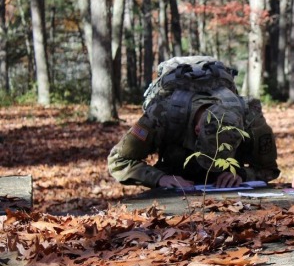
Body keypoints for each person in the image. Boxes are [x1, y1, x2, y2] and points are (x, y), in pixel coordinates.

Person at [108, 74, 279, 189]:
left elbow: (268, 169)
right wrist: (160, 178)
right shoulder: (160, 115)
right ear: (197, 130)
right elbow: (118, 160)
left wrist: (241, 175)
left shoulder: (251, 120)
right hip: (175, 189)